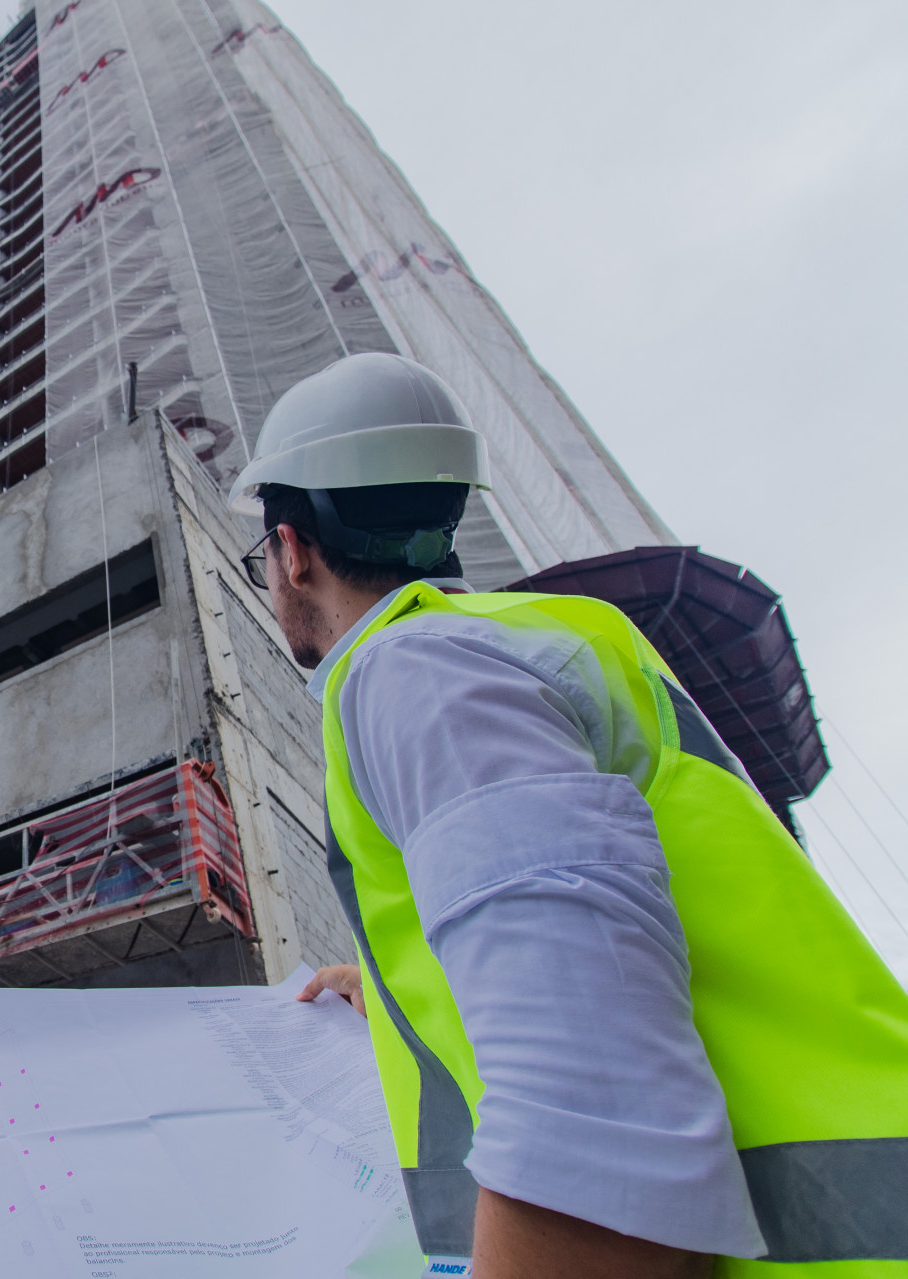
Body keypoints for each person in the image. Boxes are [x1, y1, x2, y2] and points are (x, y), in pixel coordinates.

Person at [230, 352, 908, 1277]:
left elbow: (604, 1140)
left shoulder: (419, 673)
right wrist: (397, 992)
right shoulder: (537, 644)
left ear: (293, 549)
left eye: (262, 553)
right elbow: (624, 935)